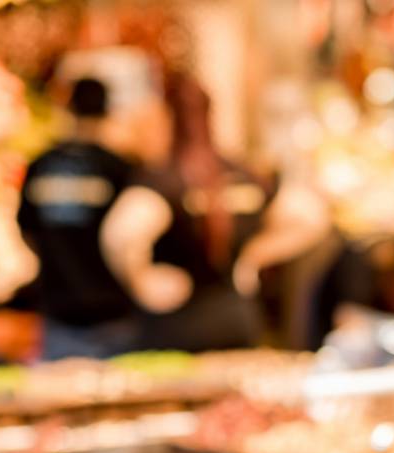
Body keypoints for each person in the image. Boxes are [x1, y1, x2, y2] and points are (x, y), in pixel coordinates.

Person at [101, 72, 328, 353]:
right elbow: (310, 217)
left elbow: (120, 235)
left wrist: (142, 279)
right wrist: (254, 256)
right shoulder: (242, 175)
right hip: (237, 320)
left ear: (167, 118)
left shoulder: (163, 181)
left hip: (177, 329)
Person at [17, 77, 141, 360]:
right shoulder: (119, 169)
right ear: (108, 111)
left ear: (68, 107)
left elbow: (26, 231)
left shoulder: (41, 166)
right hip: (114, 312)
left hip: (59, 309)